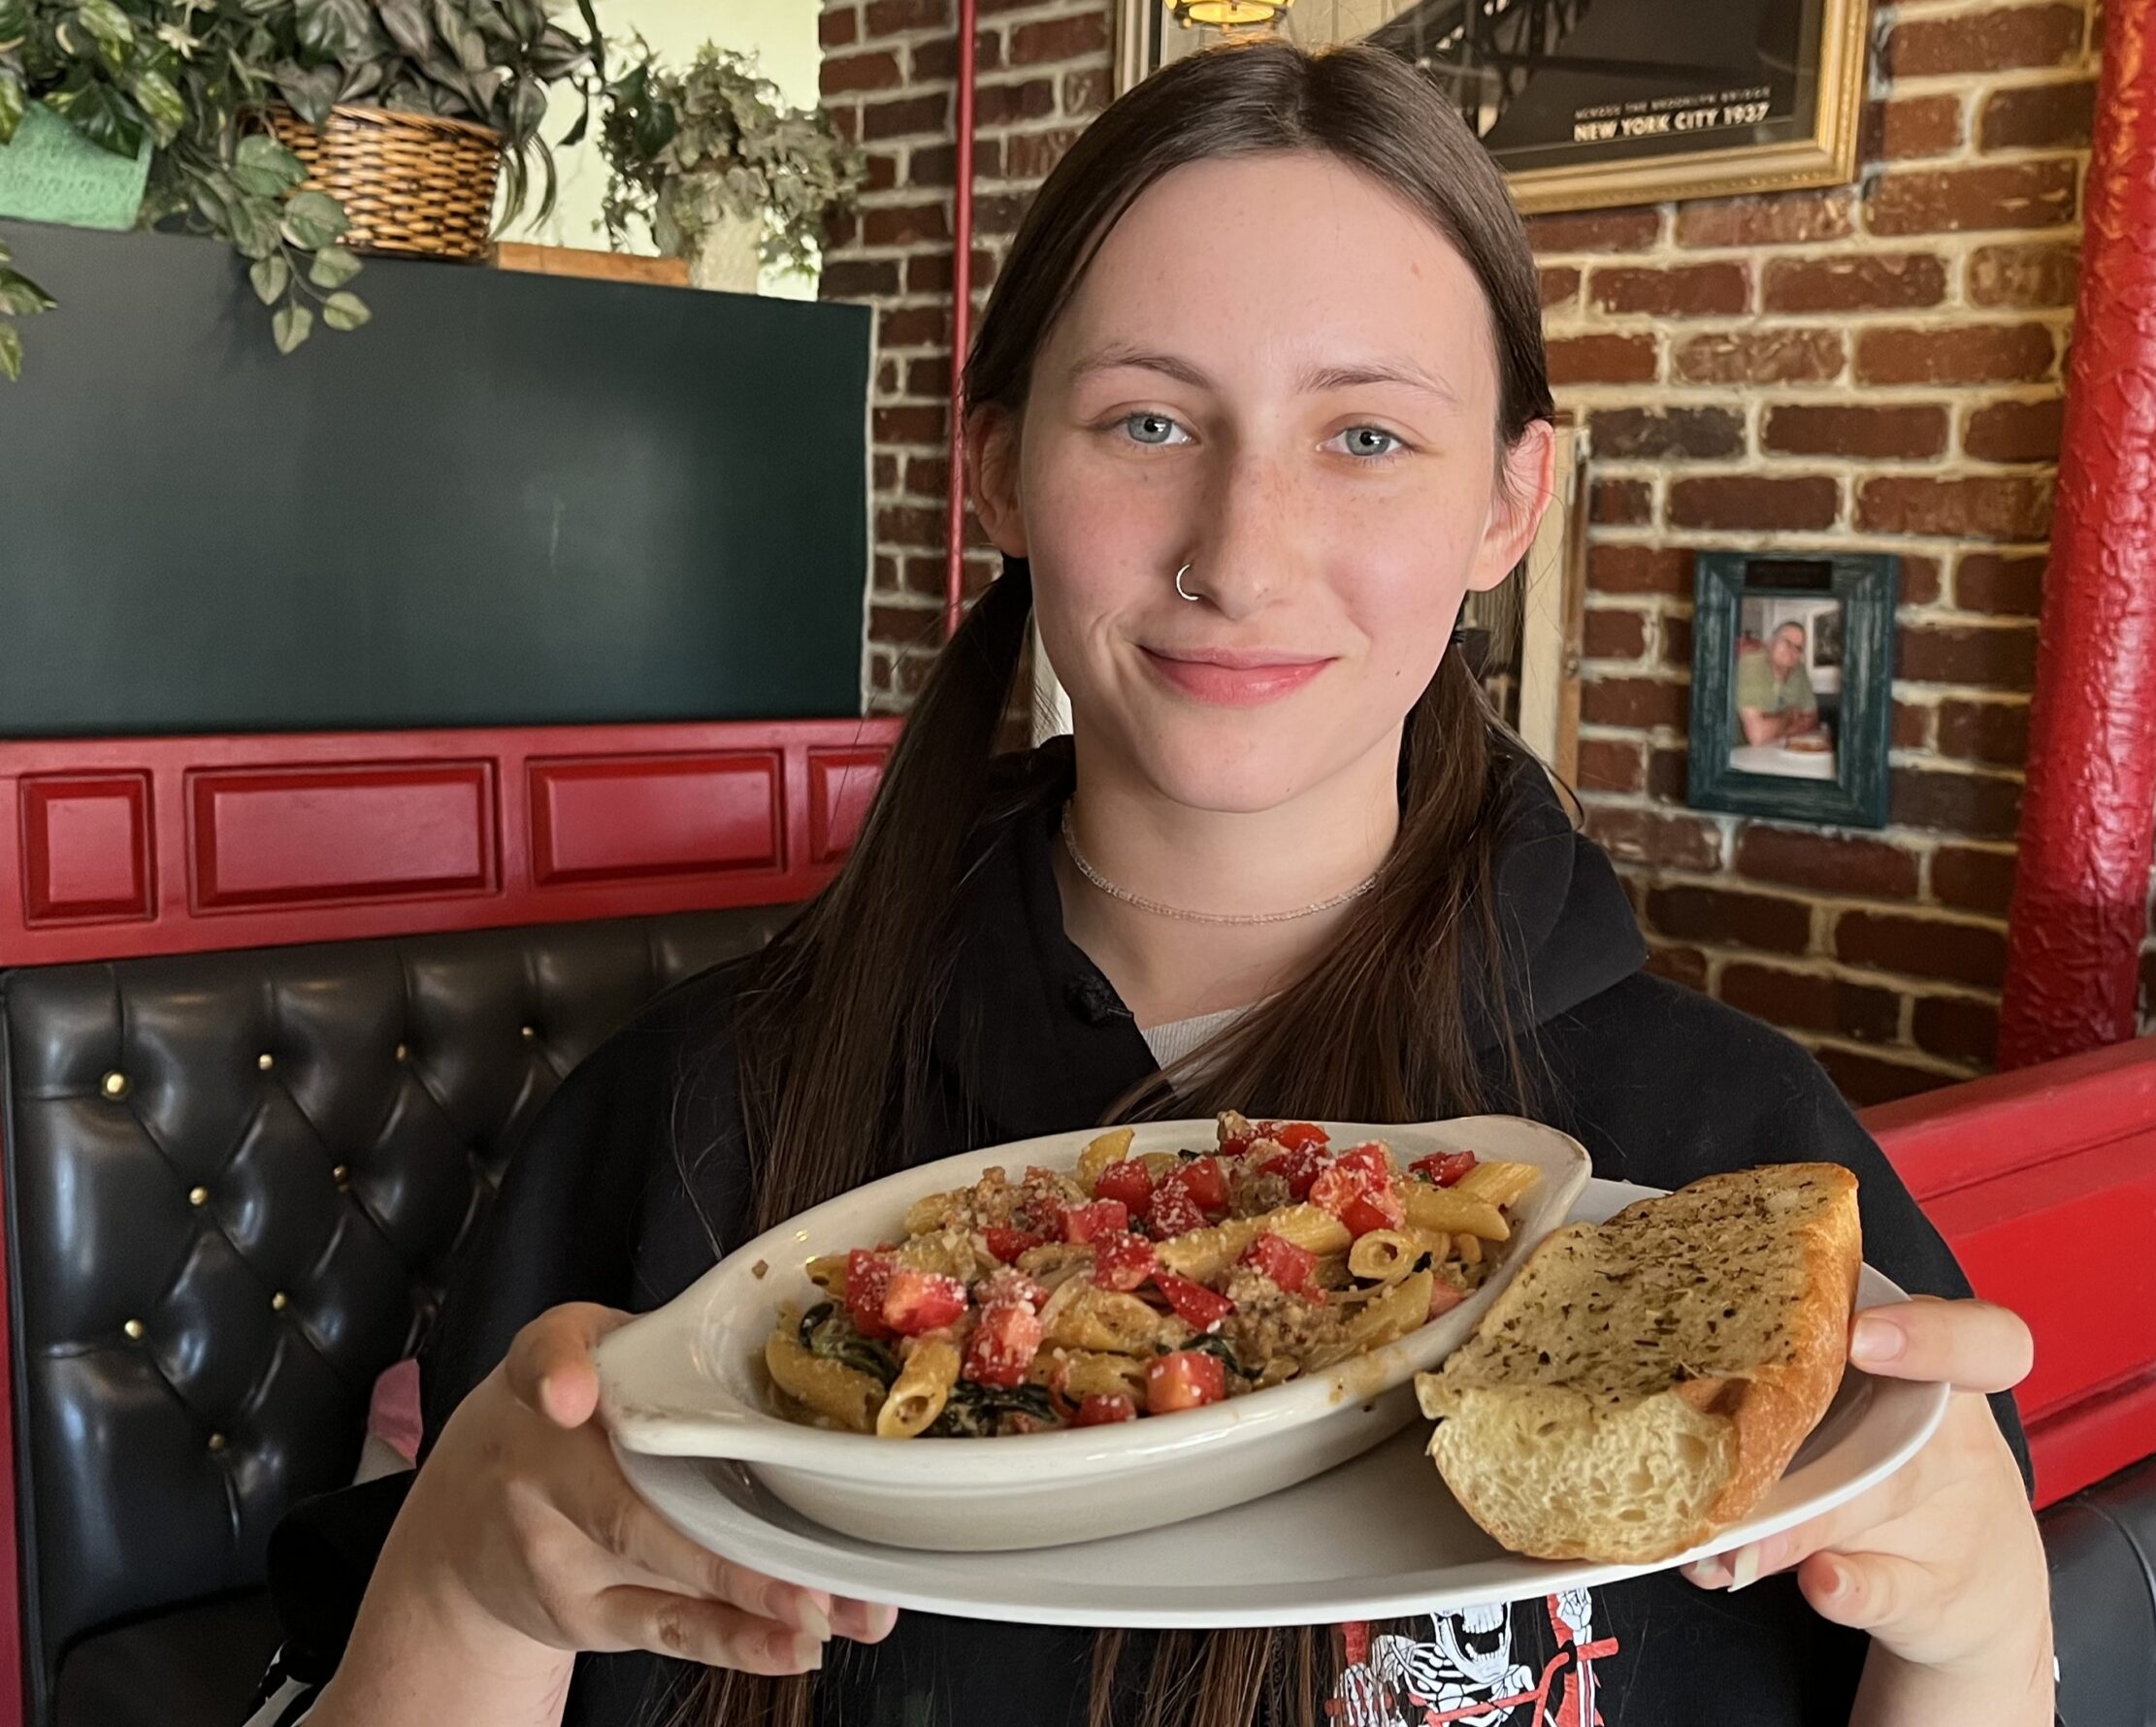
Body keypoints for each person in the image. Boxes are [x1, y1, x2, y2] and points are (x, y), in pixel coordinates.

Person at [251, 38, 2056, 1727]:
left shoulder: (1728, 1180)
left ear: (1510, 504)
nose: (1240, 557)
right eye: (1145, 422)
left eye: (1366, 437)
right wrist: (460, 1592)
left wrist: (1979, 1631)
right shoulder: (685, 1124)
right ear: (997, 471)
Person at [1736, 621, 1821, 747]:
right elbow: (1757, 736)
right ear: (1771, 642)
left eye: (1798, 648)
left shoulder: (1799, 670)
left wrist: (1776, 730)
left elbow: (1812, 720)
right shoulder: (1751, 664)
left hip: (1775, 747)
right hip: (1736, 750)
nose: (1792, 650)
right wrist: (1789, 716)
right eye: (1787, 642)